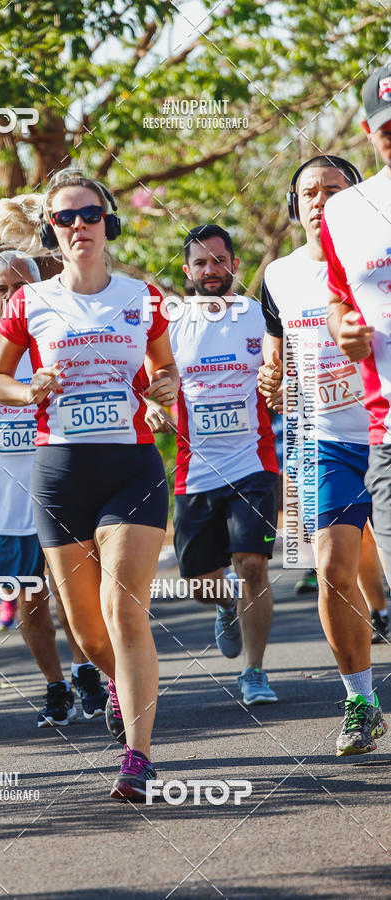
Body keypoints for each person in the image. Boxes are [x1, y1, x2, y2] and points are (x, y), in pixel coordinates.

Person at [0, 170, 179, 801]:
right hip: (61, 471)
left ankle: (139, 758)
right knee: (90, 633)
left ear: (108, 221)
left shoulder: (141, 297)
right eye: (65, 218)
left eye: (89, 214)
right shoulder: (29, 303)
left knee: (126, 611)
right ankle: (119, 692)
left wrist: (163, 390)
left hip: (131, 467)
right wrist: (27, 389)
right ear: (51, 231)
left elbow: (163, 368)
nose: (78, 227)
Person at [0, 251, 108, 727]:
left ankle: (86, 672)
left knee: (77, 594)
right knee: (30, 600)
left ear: (38, 289)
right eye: (1, 289)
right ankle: (56, 686)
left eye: (20, 286)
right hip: (9, 505)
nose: (11, 296)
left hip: (69, 491)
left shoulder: (66, 340)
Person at [259, 154, 389, 755]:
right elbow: (274, 357)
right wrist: (272, 377)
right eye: (307, 193)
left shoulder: (374, 257)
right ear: (295, 206)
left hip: (381, 429)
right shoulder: (280, 276)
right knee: (333, 573)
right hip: (324, 442)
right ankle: (360, 702)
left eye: (331, 190)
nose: (318, 202)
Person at [155, 224, 279, 705]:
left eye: (220, 261)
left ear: (235, 266)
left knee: (252, 563)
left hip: (254, 460)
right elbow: (152, 382)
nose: (212, 270)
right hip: (195, 471)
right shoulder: (169, 323)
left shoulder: (258, 317)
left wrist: (276, 382)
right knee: (201, 584)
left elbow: (279, 369)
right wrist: (153, 405)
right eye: (201, 263)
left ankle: (254, 672)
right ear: (188, 271)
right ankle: (225, 604)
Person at [319, 65, 391, 751]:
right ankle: (363, 704)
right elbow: (341, 296)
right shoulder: (346, 213)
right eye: (390, 130)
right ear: (370, 133)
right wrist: (343, 323)